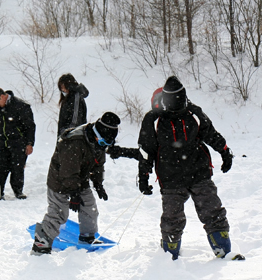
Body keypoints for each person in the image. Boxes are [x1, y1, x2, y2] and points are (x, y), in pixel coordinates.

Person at [137, 76, 244, 260]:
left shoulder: (193, 112)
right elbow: (147, 151)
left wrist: (225, 152)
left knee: (213, 211)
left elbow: (211, 134)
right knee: (172, 219)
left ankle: (224, 252)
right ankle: (169, 258)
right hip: (170, 178)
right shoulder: (153, 120)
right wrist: (144, 176)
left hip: (199, 172)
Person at [32, 112, 121, 254]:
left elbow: (98, 164)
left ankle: (87, 237)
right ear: (96, 132)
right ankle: (41, 243)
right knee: (59, 212)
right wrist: (73, 194)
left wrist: (98, 184)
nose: (102, 146)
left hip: (80, 178)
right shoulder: (74, 142)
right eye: (103, 142)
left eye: (106, 144)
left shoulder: (98, 141)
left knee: (89, 207)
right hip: (60, 181)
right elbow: (68, 172)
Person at [0, 86, 35, 200]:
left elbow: (30, 127)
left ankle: (18, 191)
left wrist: (30, 143)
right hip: (4, 142)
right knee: (0, 168)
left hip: (19, 142)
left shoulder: (20, 106)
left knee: (17, 168)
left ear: (3, 97)